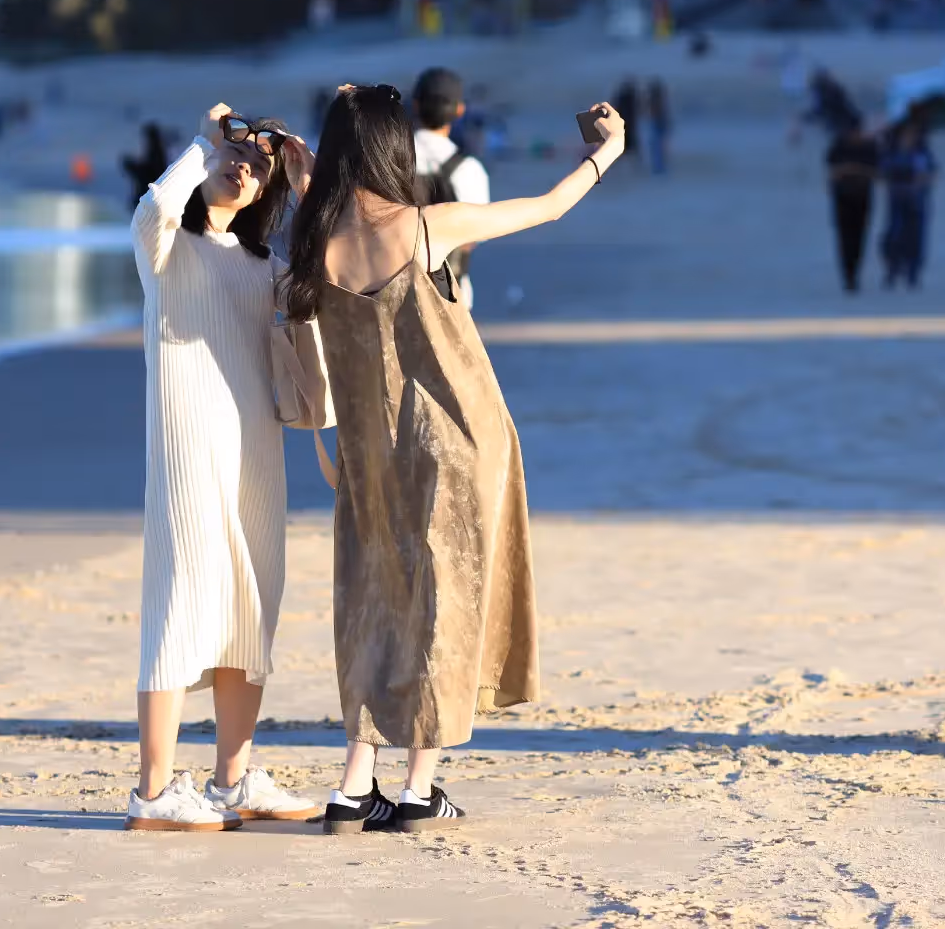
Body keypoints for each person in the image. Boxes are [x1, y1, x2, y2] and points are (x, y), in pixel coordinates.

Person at [281, 85, 627, 834]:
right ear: (392, 148)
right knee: (444, 601)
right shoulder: (427, 226)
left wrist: (303, 172)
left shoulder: (310, 239)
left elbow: (317, 327)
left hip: (363, 446)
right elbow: (548, 206)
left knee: (369, 597)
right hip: (455, 441)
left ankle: (352, 785)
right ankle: (417, 788)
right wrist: (609, 152)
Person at [127, 103, 321, 833]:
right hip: (185, 449)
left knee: (251, 605)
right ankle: (151, 793)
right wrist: (206, 141)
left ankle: (232, 781)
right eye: (233, 158)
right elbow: (153, 207)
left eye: (256, 164)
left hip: (255, 453)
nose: (244, 167)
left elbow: (326, 282)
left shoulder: (265, 267)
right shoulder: (167, 246)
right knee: (181, 601)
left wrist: (304, 185)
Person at [410, 67, 490, 303]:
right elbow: (473, 238)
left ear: (415, 105)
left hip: (392, 292)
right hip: (450, 294)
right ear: (459, 110)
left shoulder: (391, 160)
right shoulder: (469, 169)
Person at [879, 114, 938, 290]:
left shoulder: (921, 153)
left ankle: (913, 273)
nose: (909, 137)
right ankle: (893, 269)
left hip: (917, 200)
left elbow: (932, 173)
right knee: (894, 236)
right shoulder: (892, 153)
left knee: (916, 238)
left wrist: (920, 181)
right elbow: (882, 172)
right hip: (897, 199)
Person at [826, 127, 880, 294]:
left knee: (859, 239)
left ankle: (854, 275)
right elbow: (832, 172)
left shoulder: (869, 148)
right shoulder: (839, 147)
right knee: (844, 239)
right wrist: (854, 170)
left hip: (863, 199)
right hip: (842, 199)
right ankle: (848, 276)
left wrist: (851, 169)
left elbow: (878, 173)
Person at [120, 122, 173, 213]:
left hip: (150, 199)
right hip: (150, 198)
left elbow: (149, 172)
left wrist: (132, 167)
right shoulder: (159, 151)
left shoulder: (157, 152)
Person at [646, 78, 673, 175]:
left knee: (657, 147)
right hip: (659, 125)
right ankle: (660, 168)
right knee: (659, 148)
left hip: (657, 125)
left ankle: (659, 168)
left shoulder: (655, 101)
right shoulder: (660, 101)